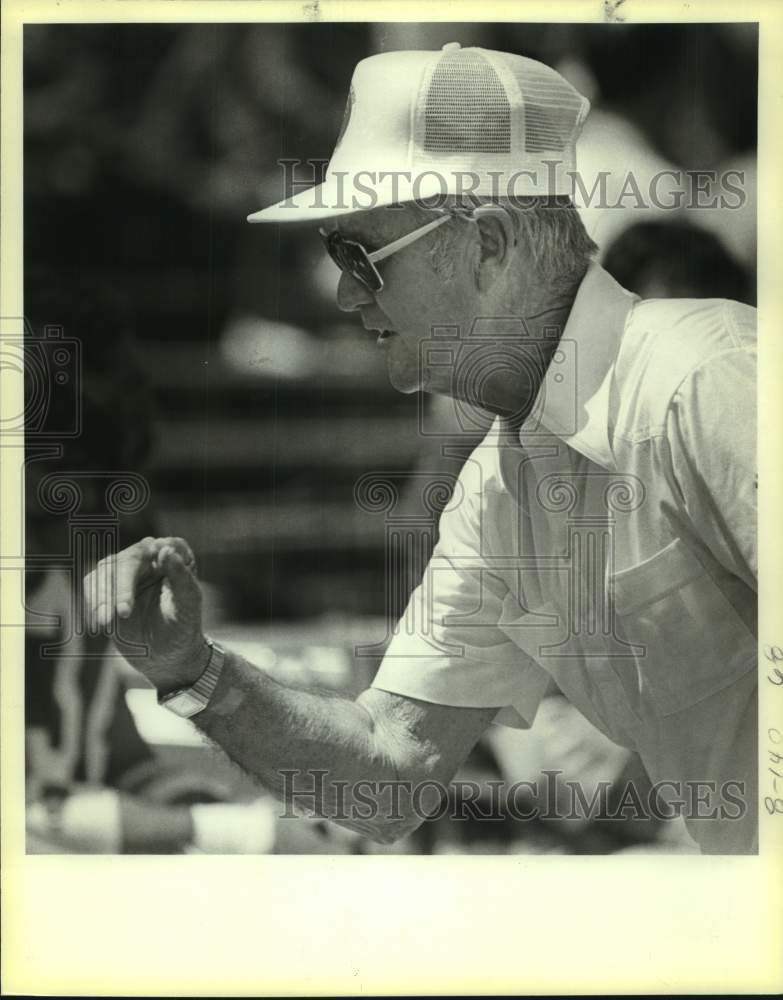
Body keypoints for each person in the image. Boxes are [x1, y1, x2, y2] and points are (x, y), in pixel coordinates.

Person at [85, 44, 757, 853]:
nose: (341, 291)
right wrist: (190, 670)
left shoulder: (706, 378)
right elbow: (390, 771)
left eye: (358, 253)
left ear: (488, 243)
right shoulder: (501, 487)